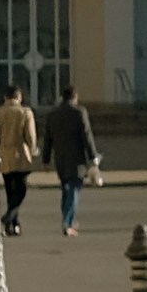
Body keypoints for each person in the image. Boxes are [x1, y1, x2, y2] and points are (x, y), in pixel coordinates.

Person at [48, 91, 100, 233]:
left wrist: (46, 159)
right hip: (77, 158)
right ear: (75, 97)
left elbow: (48, 138)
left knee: (66, 189)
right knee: (73, 189)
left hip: (60, 158)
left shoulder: (53, 114)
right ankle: (67, 223)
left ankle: (69, 220)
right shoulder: (79, 112)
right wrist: (93, 156)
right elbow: (87, 135)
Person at [0, 85, 39, 238]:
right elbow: (30, 135)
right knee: (21, 189)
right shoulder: (25, 112)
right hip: (21, 154)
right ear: (19, 97)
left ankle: (12, 224)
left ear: (5, 97)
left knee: (10, 190)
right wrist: (33, 150)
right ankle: (10, 215)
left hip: (4, 155)